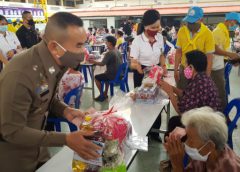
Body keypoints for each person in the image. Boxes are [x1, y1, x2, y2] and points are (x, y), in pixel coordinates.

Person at [0, 12, 101, 172]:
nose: (83, 52)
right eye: (79, 45)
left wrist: (65, 110)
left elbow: (44, 96)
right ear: (55, 46)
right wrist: (66, 139)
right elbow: (11, 130)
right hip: (17, 159)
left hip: (39, 150)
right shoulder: (20, 74)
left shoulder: (54, 62)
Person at [158, 50, 221, 135]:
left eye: (186, 64)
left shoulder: (199, 84)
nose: (185, 67)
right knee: (173, 121)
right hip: (203, 118)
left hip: (202, 127)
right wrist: (170, 87)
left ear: (191, 67)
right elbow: (185, 93)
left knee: (170, 133)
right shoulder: (201, 77)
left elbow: (182, 112)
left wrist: (170, 93)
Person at [164, 107, 240, 172]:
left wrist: (177, 166)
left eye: (191, 141)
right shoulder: (208, 153)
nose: (185, 144)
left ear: (210, 146)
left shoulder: (227, 168)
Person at [174, 6, 215, 90]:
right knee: (182, 91)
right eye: (189, 21)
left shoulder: (208, 34)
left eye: (193, 22)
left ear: (201, 20)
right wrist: (175, 70)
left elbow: (209, 57)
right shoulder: (182, 31)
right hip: (184, 68)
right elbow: (178, 52)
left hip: (199, 71)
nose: (190, 24)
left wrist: (207, 77)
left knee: (197, 93)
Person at [130, 9, 166, 88]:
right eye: (153, 27)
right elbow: (132, 63)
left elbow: (161, 55)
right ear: (145, 27)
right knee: (143, 97)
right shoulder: (137, 41)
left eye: (158, 27)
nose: (156, 30)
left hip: (157, 71)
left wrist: (163, 66)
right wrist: (136, 66)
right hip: (141, 73)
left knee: (157, 94)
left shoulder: (160, 38)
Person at [212, 12, 240, 109]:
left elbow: (223, 50)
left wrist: (233, 60)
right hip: (215, 67)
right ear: (229, 20)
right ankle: (223, 117)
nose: (235, 24)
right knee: (221, 93)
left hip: (221, 65)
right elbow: (213, 49)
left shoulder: (224, 31)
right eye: (235, 22)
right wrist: (230, 54)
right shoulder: (218, 31)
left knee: (222, 91)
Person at [89, 35, 122, 102]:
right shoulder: (117, 50)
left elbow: (102, 64)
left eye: (106, 41)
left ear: (109, 43)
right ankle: (105, 93)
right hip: (119, 74)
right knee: (105, 74)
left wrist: (93, 61)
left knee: (96, 77)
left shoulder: (109, 53)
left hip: (112, 75)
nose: (105, 42)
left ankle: (102, 95)